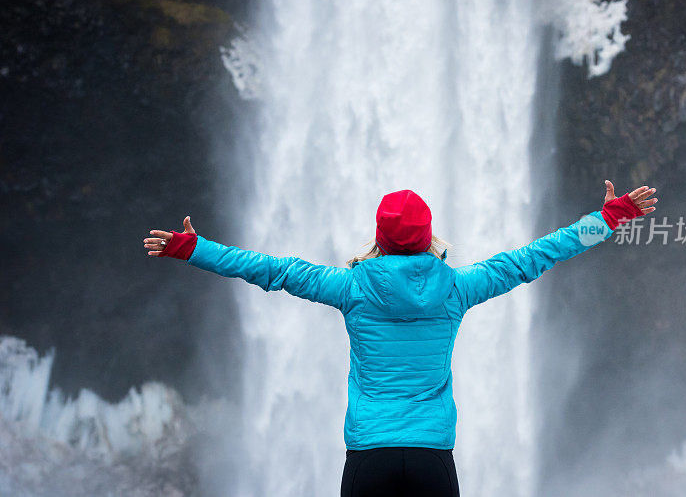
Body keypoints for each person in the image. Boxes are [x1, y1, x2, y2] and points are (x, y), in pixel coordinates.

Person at [143, 181, 657, 497]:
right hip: (433, 456)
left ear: (379, 237)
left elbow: (269, 270)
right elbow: (536, 257)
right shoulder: (459, 288)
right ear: (430, 235)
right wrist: (610, 218)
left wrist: (193, 249)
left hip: (369, 456)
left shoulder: (349, 287)